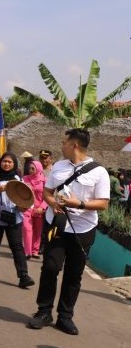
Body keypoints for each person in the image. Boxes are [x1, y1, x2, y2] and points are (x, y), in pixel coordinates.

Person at [27, 128, 110, 335]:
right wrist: (53, 202)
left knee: (74, 274)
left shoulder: (99, 172)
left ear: (74, 145)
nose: (61, 145)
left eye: (64, 142)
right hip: (57, 223)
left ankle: (65, 317)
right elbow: (47, 192)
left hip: (83, 229)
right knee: (50, 267)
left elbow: (103, 204)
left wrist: (78, 203)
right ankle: (44, 312)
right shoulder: (59, 167)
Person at [0, 153, 36, 288]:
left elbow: (27, 197)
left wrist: (25, 207)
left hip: (14, 217)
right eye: (5, 161)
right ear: (0, 162)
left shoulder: (18, 179)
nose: (7, 164)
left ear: (14, 164)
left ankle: (23, 276)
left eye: (10, 162)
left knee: (17, 247)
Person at [22, 160, 47, 259]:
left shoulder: (45, 181)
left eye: (33, 168)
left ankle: (35, 250)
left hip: (39, 209)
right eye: (30, 168)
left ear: (39, 169)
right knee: (26, 228)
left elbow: (47, 196)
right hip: (26, 207)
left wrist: (42, 207)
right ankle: (27, 251)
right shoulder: (25, 179)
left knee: (37, 231)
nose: (31, 170)